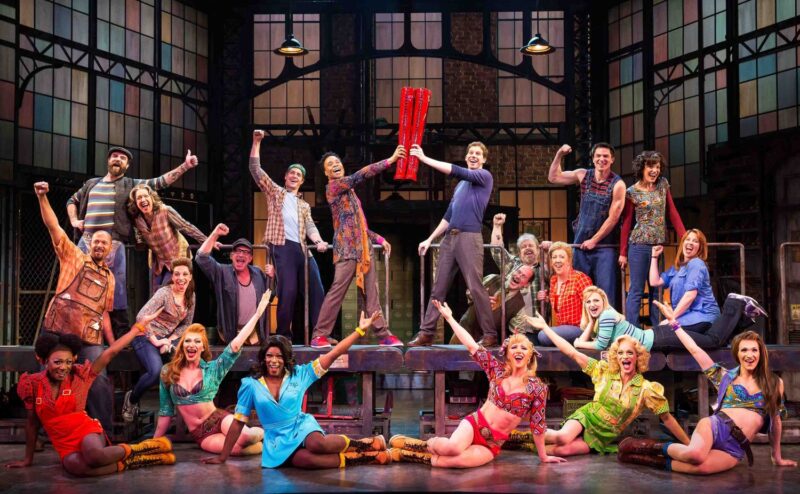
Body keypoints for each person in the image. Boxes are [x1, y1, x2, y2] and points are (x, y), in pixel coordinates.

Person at [618, 301, 797, 474]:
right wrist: (674, 324)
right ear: (737, 354)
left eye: (754, 350)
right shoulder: (725, 376)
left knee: (701, 468)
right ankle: (642, 446)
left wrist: (776, 456)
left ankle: (643, 458)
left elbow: (776, 421)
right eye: (744, 350)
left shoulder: (774, 383)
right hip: (715, 427)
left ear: (761, 353)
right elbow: (695, 350)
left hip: (736, 446)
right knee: (695, 455)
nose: (749, 355)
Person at [202, 311, 391, 468]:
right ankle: (364, 458)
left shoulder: (300, 374)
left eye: (279, 356)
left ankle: (365, 444)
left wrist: (359, 330)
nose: (274, 360)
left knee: (316, 444)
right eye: (269, 356)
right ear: (263, 358)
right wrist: (223, 457)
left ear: (286, 359)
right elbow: (238, 423)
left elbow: (334, 353)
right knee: (304, 461)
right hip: (276, 439)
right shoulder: (250, 385)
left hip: (300, 425)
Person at [390, 300, 563, 467]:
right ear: (508, 354)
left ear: (530, 355)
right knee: (452, 449)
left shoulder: (537, 388)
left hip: (491, 443)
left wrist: (543, 456)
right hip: (474, 425)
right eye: (514, 348)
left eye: (523, 348)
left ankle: (405, 454)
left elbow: (538, 425)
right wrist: (450, 318)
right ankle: (419, 445)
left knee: (453, 461)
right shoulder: (497, 371)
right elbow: (472, 346)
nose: (519, 351)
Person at [5, 311, 175, 476]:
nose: (63, 367)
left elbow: (110, 353)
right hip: (63, 442)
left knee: (94, 457)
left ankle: (143, 449)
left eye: (68, 362)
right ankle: (134, 461)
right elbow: (32, 423)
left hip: (86, 431)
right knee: (77, 468)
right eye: (57, 362)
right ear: (44, 361)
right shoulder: (32, 384)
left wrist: (137, 328)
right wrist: (27, 459)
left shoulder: (80, 376)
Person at [67, 146, 199, 336]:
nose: (118, 159)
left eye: (122, 158)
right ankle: (75, 332)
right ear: (108, 160)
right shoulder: (91, 184)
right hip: (88, 241)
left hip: (114, 242)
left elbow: (159, 182)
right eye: (114, 156)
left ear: (127, 165)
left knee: (117, 290)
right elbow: (72, 201)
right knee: (78, 285)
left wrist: (184, 166)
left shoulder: (129, 184)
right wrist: (74, 221)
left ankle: (121, 334)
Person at [524, 314, 690, 456]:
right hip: (587, 418)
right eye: (620, 353)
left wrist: (688, 444)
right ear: (616, 357)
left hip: (602, 436)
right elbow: (572, 353)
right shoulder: (604, 372)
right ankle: (517, 435)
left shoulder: (646, 389)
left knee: (561, 450)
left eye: (629, 353)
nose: (625, 356)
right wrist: (545, 328)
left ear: (637, 357)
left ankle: (525, 444)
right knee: (562, 438)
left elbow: (667, 418)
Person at [35, 181, 115, 434]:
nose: (99, 245)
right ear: (89, 243)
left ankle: (104, 432)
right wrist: (42, 197)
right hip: (57, 331)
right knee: (46, 380)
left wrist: (112, 344)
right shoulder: (74, 256)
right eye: (96, 241)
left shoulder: (110, 277)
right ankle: (43, 431)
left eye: (104, 243)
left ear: (110, 249)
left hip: (88, 338)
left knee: (99, 380)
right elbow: (54, 226)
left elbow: (104, 313)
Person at [311, 146, 407, 348]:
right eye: (330, 164)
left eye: (337, 162)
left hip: (363, 249)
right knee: (337, 291)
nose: (335, 165)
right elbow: (360, 175)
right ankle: (319, 335)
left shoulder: (351, 193)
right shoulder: (334, 187)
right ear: (326, 173)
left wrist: (379, 239)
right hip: (346, 248)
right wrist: (390, 160)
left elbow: (360, 227)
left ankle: (383, 335)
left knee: (372, 294)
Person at [153, 292, 272, 455]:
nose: (191, 344)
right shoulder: (168, 372)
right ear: (182, 346)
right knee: (236, 450)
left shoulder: (212, 369)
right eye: (187, 341)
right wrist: (153, 444)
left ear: (202, 347)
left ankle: (268, 433)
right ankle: (269, 446)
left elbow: (235, 345)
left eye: (197, 341)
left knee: (246, 437)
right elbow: (165, 412)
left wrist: (257, 314)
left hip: (218, 419)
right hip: (201, 434)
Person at [409, 142, 496, 347]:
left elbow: (456, 171)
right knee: (438, 287)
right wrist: (430, 239)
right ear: (466, 157)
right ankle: (427, 333)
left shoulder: (484, 176)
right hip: (450, 239)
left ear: (483, 159)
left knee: (475, 287)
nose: (473, 156)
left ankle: (490, 334)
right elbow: (449, 216)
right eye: (470, 153)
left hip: (469, 237)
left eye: (478, 154)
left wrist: (424, 159)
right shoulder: (460, 186)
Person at [249, 129, 328, 340]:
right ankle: (283, 335)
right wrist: (257, 142)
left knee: (317, 289)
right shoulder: (276, 192)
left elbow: (310, 226)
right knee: (288, 291)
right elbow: (255, 170)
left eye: (298, 175)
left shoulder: (304, 205)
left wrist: (319, 241)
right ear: (285, 177)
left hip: (302, 249)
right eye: (291, 173)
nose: (294, 176)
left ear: (302, 181)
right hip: (282, 246)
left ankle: (320, 333)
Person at [548, 143, 625, 309]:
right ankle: (582, 325)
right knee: (580, 292)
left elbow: (613, 218)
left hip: (604, 247)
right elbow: (553, 177)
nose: (602, 159)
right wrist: (559, 154)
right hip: (581, 245)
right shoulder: (583, 175)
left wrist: (594, 240)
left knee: (606, 293)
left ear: (612, 159)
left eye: (606, 156)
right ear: (593, 158)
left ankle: (607, 324)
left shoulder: (618, 184)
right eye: (598, 156)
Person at [122, 257, 196, 422]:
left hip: (167, 338)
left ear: (190, 276)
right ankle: (132, 399)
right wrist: (156, 341)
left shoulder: (191, 296)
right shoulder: (164, 293)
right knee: (155, 371)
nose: (181, 278)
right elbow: (141, 317)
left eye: (185, 274)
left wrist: (169, 340)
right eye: (177, 274)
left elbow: (186, 324)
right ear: (172, 276)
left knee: (184, 366)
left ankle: (182, 412)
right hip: (145, 335)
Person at [574, 286, 759, 352]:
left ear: (603, 301)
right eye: (588, 302)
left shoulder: (606, 315)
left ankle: (734, 303)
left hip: (660, 339)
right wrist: (590, 321)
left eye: (596, 300)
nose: (592, 304)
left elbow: (600, 345)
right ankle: (746, 316)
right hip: (659, 335)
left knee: (713, 341)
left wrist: (578, 343)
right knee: (712, 338)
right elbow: (589, 339)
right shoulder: (600, 318)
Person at [618, 150, 685, 326]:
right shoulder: (632, 192)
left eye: (657, 167)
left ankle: (658, 331)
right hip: (638, 245)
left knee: (657, 289)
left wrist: (684, 237)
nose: (655, 170)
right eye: (650, 166)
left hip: (658, 246)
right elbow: (626, 223)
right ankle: (632, 330)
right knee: (637, 290)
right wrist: (623, 252)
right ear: (642, 168)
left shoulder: (663, 185)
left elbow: (672, 212)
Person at [195, 224, 272, 344]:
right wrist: (215, 234)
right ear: (231, 256)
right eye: (238, 251)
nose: (241, 254)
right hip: (230, 334)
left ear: (250, 258)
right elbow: (201, 258)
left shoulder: (258, 273)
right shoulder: (222, 272)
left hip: (254, 335)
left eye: (245, 252)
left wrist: (272, 276)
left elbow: (271, 295)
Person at [127, 184, 209, 291]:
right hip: (159, 263)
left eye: (146, 196)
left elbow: (185, 226)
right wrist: (139, 242)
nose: (143, 199)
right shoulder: (137, 220)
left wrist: (207, 241)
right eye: (139, 198)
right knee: (156, 293)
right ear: (135, 203)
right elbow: (140, 238)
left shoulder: (165, 210)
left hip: (177, 257)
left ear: (152, 198)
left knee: (168, 290)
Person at [487, 212, 543, 335]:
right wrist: (497, 226)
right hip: (511, 329)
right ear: (519, 252)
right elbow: (497, 250)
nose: (527, 248)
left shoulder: (544, 269)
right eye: (524, 247)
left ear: (538, 250)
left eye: (531, 245)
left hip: (537, 330)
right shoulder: (512, 265)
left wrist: (551, 247)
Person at [536, 242, 592, 347]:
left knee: (543, 335)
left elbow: (592, 306)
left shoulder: (580, 278)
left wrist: (590, 332)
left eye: (562, 257)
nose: (557, 260)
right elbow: (559, 302)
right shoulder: (553, 280)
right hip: (563, 328)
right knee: (542, 333)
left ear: (569, 260)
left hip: (580, 328)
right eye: (554, 257)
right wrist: (546, 298)